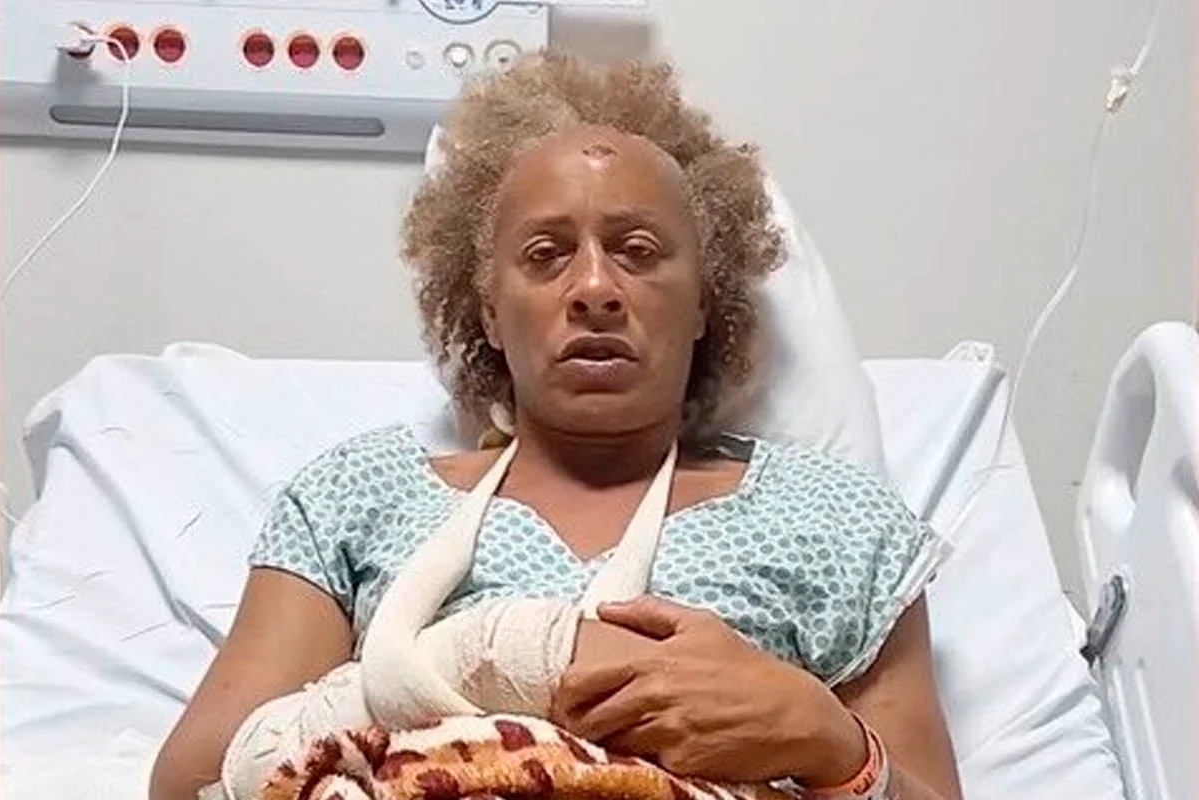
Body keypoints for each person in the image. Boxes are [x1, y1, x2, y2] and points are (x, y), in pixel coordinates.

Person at [150, 53, 962, 800]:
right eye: (545, 255)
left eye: (637, 250)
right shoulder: (357, 499)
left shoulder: (834, 519)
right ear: (488, 313)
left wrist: (827, 740)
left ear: (703, 303)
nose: (595, 288)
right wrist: (489, 653)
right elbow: (196, 784)